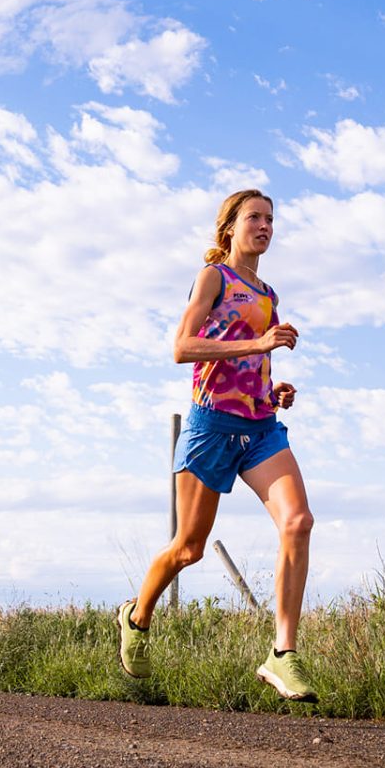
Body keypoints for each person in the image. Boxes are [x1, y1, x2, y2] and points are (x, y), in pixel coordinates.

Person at [117, 189, 317, 702]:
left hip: (260, 426)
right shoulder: (214, 278)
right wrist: (259, 343)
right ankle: (137, 617)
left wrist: (276, 390)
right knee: (189, 548)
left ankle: (282, 654)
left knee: (298, 522)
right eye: (255, 217)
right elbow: (182, 349)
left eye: (272, 218)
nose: (265, 225)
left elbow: (252, 366)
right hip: (211, 426)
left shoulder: (270, 294)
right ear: (229, 227)